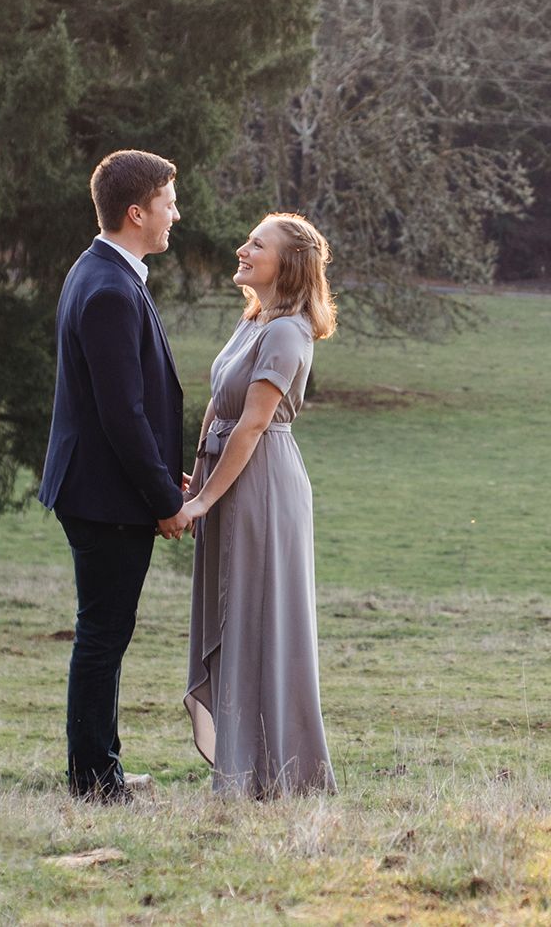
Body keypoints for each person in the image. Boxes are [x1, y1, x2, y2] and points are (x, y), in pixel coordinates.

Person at [36, 149, 190, 802]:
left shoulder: (106, 272)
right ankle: (95, 780)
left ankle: (101, 767)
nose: (176, 214)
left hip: (103, 490)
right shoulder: (106, 288)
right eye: (168, 203)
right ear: (137, 212)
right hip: (106, 498)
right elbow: (121, 415)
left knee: (106, 632)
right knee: (102, 635)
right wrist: (164, 498)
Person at [173, 211, 337, 798]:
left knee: (259, 619)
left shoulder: (288, 332)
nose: (241, 249)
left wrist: (201, 503)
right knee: (231, 614)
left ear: (286, 264)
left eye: (256, 245)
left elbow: (251, 425)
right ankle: (240, 769)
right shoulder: (252, 320)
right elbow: (218, 407)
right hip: (226, 481)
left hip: (262, 486)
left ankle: (279, 773)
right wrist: (196, 484)